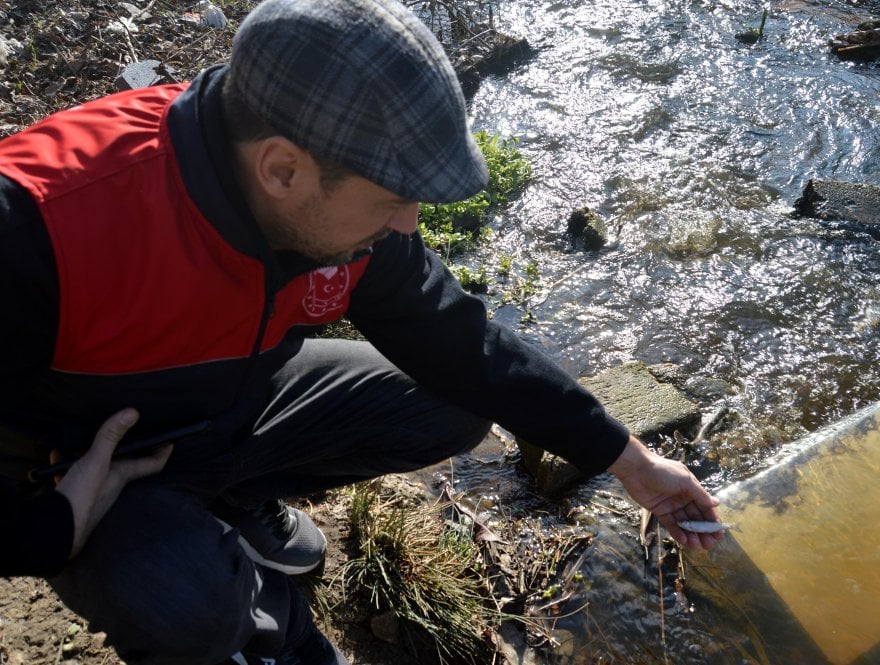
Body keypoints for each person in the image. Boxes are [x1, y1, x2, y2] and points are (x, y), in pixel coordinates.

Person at [0, 0, 722, 663]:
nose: (409, 223)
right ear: (282, 169)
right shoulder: (39, 228)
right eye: (394, 198)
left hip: (227, 401)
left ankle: (230, 499)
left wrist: (632, 462)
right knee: (189, 604)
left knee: (454, 403)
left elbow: (459, 338)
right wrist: (52, 524)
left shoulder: (335, 216)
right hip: (80, 468)